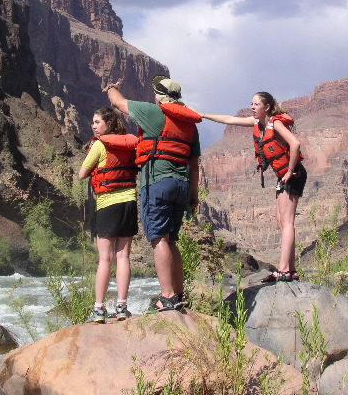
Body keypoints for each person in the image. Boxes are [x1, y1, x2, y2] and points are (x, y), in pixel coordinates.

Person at [104, 75, 201, 311]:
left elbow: (118, 103)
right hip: (182, 186)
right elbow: (194, 164)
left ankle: (167, 297)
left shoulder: (153, 112)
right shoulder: (190, 125)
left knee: (159, 238)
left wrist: (111, 87)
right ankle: (179, 294)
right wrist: (193, 196)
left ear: (160, 96)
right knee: (172, 239)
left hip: (158, 182)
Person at [199, 91, 306, 282]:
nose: (252, 107)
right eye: (251, 104)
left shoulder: (276, 123)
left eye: (256, 104)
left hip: (293, 175)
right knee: (281, 222)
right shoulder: (258, 124)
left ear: (266, 107)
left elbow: (295, 144)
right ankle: (291, 269)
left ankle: (283, 270)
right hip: (283, 177)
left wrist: (289, 171)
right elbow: (230, 120)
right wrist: (204, 116)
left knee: (287, 222)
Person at [78, 107, 139, 323]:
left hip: (107, 204)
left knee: (106, 258)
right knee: (123, 256)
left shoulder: (99, 145)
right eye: (92, 123)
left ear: (108, 123)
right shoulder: (131, 143)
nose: (93, 126)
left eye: (97, 122)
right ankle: (122, 307)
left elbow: (82, 173)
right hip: (129, 203)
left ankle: (99, 309)